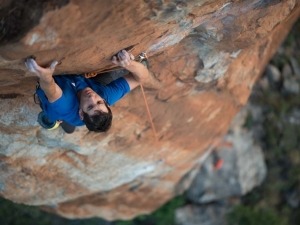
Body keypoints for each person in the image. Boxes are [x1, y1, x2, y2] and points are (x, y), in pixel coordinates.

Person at [25, 50, 160, 133]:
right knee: (122, 70)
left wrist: (45, 75)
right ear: (106, 103)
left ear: (81, 113)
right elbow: (140, 79)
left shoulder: (65, 104)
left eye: (90, 106)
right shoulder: (104, 97)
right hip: (88, 86)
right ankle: (65, 124)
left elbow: (50, 88)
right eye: (99, 102)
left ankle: (57, 122)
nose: (93, 98)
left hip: (60, 104)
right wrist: (128, 64)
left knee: (56, 118)